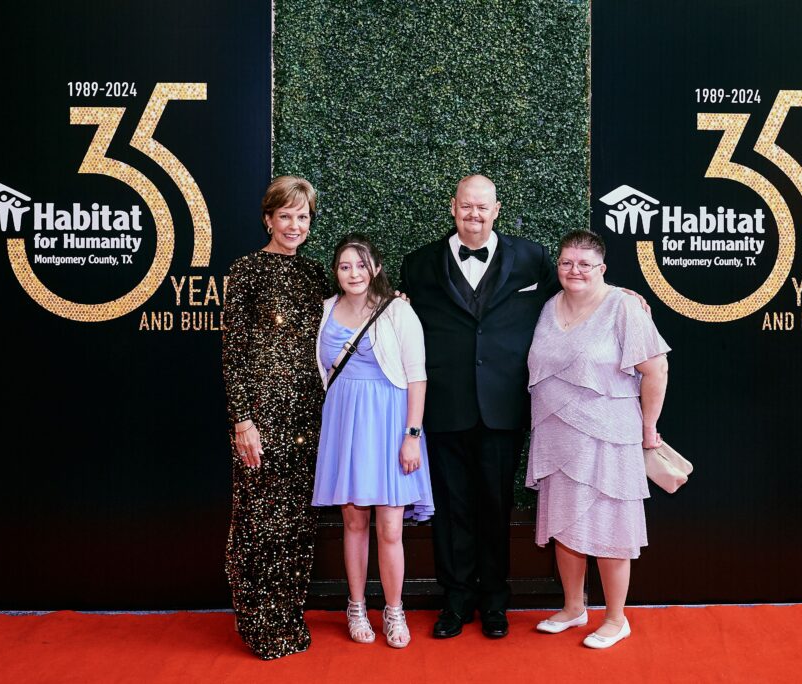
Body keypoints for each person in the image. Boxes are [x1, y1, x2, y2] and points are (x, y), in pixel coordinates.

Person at [399, 175, 560, 639]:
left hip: (504, 407)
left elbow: (572, 298)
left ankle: (494, 602)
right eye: (466, 206)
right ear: (453, 207)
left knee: (495, 506)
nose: (474, 214)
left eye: (482, 207)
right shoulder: (419, 263)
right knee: (451, 511)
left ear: (497, 210)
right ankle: (455, 602)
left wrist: (619, 296)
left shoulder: (532, 257)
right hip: (444, 408)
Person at [526, 229, 669, 649]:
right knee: (565, 523)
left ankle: (616, 618)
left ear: (602, 268)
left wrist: (648, 427)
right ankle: (574, 608)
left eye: (585, 264)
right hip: (556, 435)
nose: (575, 271)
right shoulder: (549, 306)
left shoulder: (624, 306)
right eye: (567, 263)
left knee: (611, 526)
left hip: (609, 436)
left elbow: (656, 369)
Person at [222, 176, 330, 659]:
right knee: (258, 521)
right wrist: (242, 420)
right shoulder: (244, 271)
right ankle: (259, 624)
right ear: (268, 218)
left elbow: (346, 326)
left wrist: (391, 308)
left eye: (302, 216)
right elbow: (232, 352)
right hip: (261, 418)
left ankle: (289, 616)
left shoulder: (315, 276)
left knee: (297, 524)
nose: (294, 224)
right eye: (285, 215)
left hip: (309, 417)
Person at [312, 234, 433, 649]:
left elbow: (417, 375)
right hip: (344, 423)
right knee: (353, 521)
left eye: (361, 265)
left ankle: (395, 610)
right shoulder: (324, 310)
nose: (353, 273)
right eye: (345, 266)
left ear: (376, 268)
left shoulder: (398, 311)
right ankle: (357, 606)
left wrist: (412, 436)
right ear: (336, 272)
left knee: (390, 527)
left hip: (389, 423)